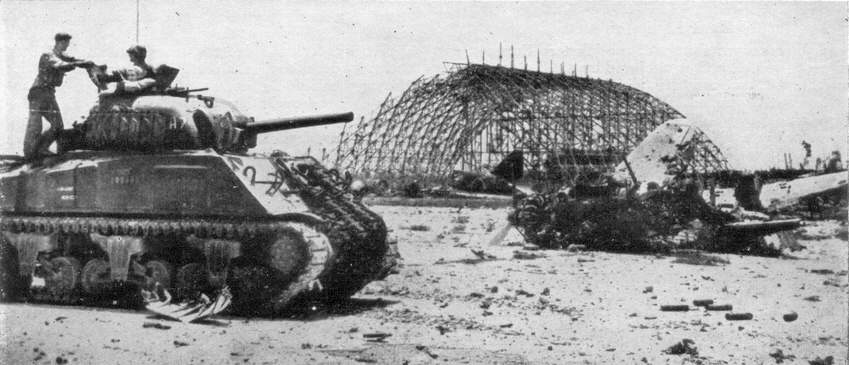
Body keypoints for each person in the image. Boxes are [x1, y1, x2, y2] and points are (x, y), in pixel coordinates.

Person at [24, 32, 93, 159]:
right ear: (59, 42)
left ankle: (41, 149)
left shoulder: (62, 55)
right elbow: (60, 65)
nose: (67, 46)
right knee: (35, 126)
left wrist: (89, 63)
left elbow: (74, 59)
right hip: (38, 92)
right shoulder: (48, 55)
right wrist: (77, 64)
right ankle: (31, 154)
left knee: (58, 125)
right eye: (66, 43)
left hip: (49, 93)